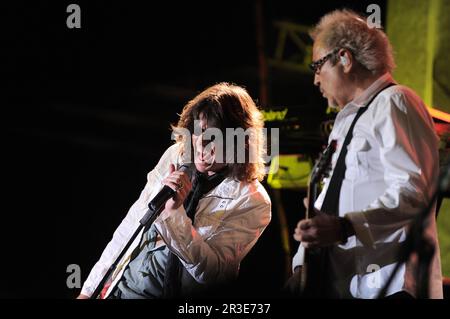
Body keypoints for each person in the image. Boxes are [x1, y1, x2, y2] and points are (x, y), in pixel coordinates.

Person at [290, 9, 442, 299]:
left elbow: (415, 192)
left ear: (345, 59)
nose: (315, 80)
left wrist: (346, 226)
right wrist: (301, 264)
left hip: (391, 285)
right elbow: (331, 200)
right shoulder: (346, 120)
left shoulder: (395, 101)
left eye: (317, 67)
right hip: (348, 282)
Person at [77, 83, 271, 299]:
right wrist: (89, 291)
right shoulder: (175, 156)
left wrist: (174, 214)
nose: (202, 144)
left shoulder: (252, 201)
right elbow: (131, 226)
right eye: (200, 131)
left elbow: (212, 274)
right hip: (122, 290)